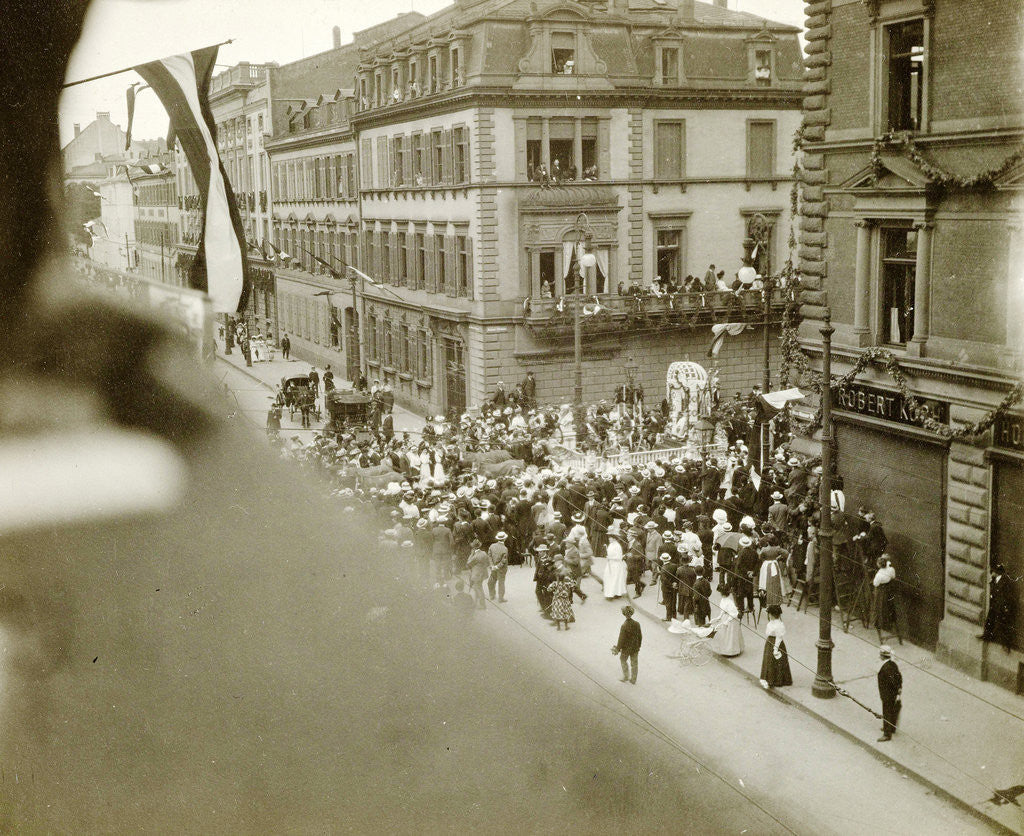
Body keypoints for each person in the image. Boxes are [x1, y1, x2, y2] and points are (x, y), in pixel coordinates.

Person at [979, 562, 1016, 651]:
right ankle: (986, 635)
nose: (991, 573)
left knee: (1004, 625)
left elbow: (1008, 595)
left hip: (1002, 606)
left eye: (993, 571)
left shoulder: (1005, 581)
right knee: (990, 620)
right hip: (995, 604)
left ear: (997, 572)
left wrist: (1006, 607)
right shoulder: (994, 579)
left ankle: (1006, 645)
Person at [759, 605, 793, 689]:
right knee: (769, 660)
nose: (769, 616)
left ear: (773, 615)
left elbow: (779, 637)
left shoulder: (779, 625)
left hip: (775, 644)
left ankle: (776, 680)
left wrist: (775, 649)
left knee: (774, 661)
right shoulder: (772, 623)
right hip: (770, 642)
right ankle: (769, 678)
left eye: (770, 614)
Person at [877, 646, 902, 741]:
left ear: (882, 656)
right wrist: (899, 688)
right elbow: (899, 676)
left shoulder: (885, 668)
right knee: (891, 710)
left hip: (887, 694)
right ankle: (891, 728)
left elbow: (892, 680)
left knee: (887, 711)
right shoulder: (893, 664)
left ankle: (887, 734)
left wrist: (896, 687)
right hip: (893, 693)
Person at [709, 588, 743, 657]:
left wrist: (727, 621)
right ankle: (725, 650)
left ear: (723, 594)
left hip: (732, 620)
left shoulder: (730, 603)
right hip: (725, 617)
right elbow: (723, 610)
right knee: (724, 634)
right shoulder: (723, 600)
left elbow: (734, 614)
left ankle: (732, 652)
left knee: (730, 636)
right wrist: (719, 617)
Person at [613, 605, 642, 684]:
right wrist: (638, 646)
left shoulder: (624, 626)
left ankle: (626, 676)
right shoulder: (637, 624)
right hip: (635, 648)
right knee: (634, 663)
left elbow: (621, 639)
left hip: (626, 649)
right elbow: (640, 636)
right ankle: (633, 679)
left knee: (623, 660)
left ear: (624, 614)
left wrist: (618, 649)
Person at [603, 523, 628, 599]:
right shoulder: (611, 544)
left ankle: (614, 593)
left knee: (614, 579)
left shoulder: (617, 546)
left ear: (614, 538)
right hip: (610, 564)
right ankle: (611, 593)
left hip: (616, 564)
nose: (609, 539)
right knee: (608, 577)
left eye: (610, 538)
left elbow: (619, 557)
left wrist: (610, 558)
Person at [467, 539, 490, 610]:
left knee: (478, 588)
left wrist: (471, 554)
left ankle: (482, 605)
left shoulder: (475, 556)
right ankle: (476, 603)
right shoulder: (484, 553)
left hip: (476, 574)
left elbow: (468, 563)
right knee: (478, 587)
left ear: (473, 548)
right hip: (483, 573)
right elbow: (488, 563)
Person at [487, 531, 509, 602]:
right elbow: (503, 561)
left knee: (491, 581)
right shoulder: (505, 548)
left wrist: (492, 565)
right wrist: (497, 566)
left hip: (493, 568)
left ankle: (492, 595)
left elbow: (489, 556)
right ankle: (500, 598)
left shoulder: (492, 546)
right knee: (501, 583)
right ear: (504, 539)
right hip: (501, 569)